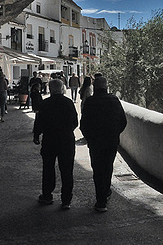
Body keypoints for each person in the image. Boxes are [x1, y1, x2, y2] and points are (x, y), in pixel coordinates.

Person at [80, 76, 127, 212]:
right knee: (107, 168)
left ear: (95, 87)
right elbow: (123, 121)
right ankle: (105, 193)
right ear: (106, 87)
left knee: (97, 169)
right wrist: (114, 134)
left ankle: (100, 200)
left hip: (95, 143)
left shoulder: (90, 102)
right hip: (111, 142)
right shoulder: (114, 100)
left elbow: (84, 124)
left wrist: (90, 138)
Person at [33, 79, 78, 209]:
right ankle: (66, 200)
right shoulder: (68, 103)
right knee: (67, 170)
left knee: (48, 168)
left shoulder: (45, 103)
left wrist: (37, 135)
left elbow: (39, 122)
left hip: (49, 141)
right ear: (62, 88)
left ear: (51, 90)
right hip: (66, 141)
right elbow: (75, 122)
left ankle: (47, 196)